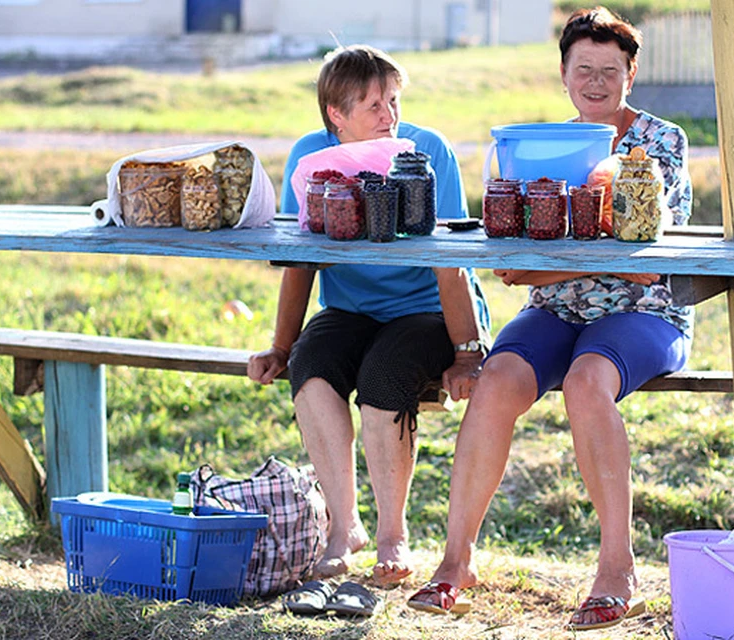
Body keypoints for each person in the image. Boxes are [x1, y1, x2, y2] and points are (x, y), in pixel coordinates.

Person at [408, 7, 693, 630]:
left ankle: (619, 571)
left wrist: (552, 267)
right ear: (563, 75)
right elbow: (520, 260)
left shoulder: (662, 140)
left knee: (589, 384)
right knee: (494, 382)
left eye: (610, 70)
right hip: (556, 312)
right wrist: (557, 268)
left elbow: (643, 259)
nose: (596, 82)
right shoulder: (539, 145)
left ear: (631, 73)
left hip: (644, 312)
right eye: (583, 69)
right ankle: (457, 563)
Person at [247, 44, 490, 586]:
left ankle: (391, 535)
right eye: (374, 105)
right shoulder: (310, 157)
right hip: (350, 307)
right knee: (311, 367)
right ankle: (344, 527)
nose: (390, 117)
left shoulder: (427, 152)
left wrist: (467, 353)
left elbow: (449, 265)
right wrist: (281, 348)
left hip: (428, 309)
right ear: (337, 114)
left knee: (384, 374)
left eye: (394, 101)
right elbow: (300, 259)